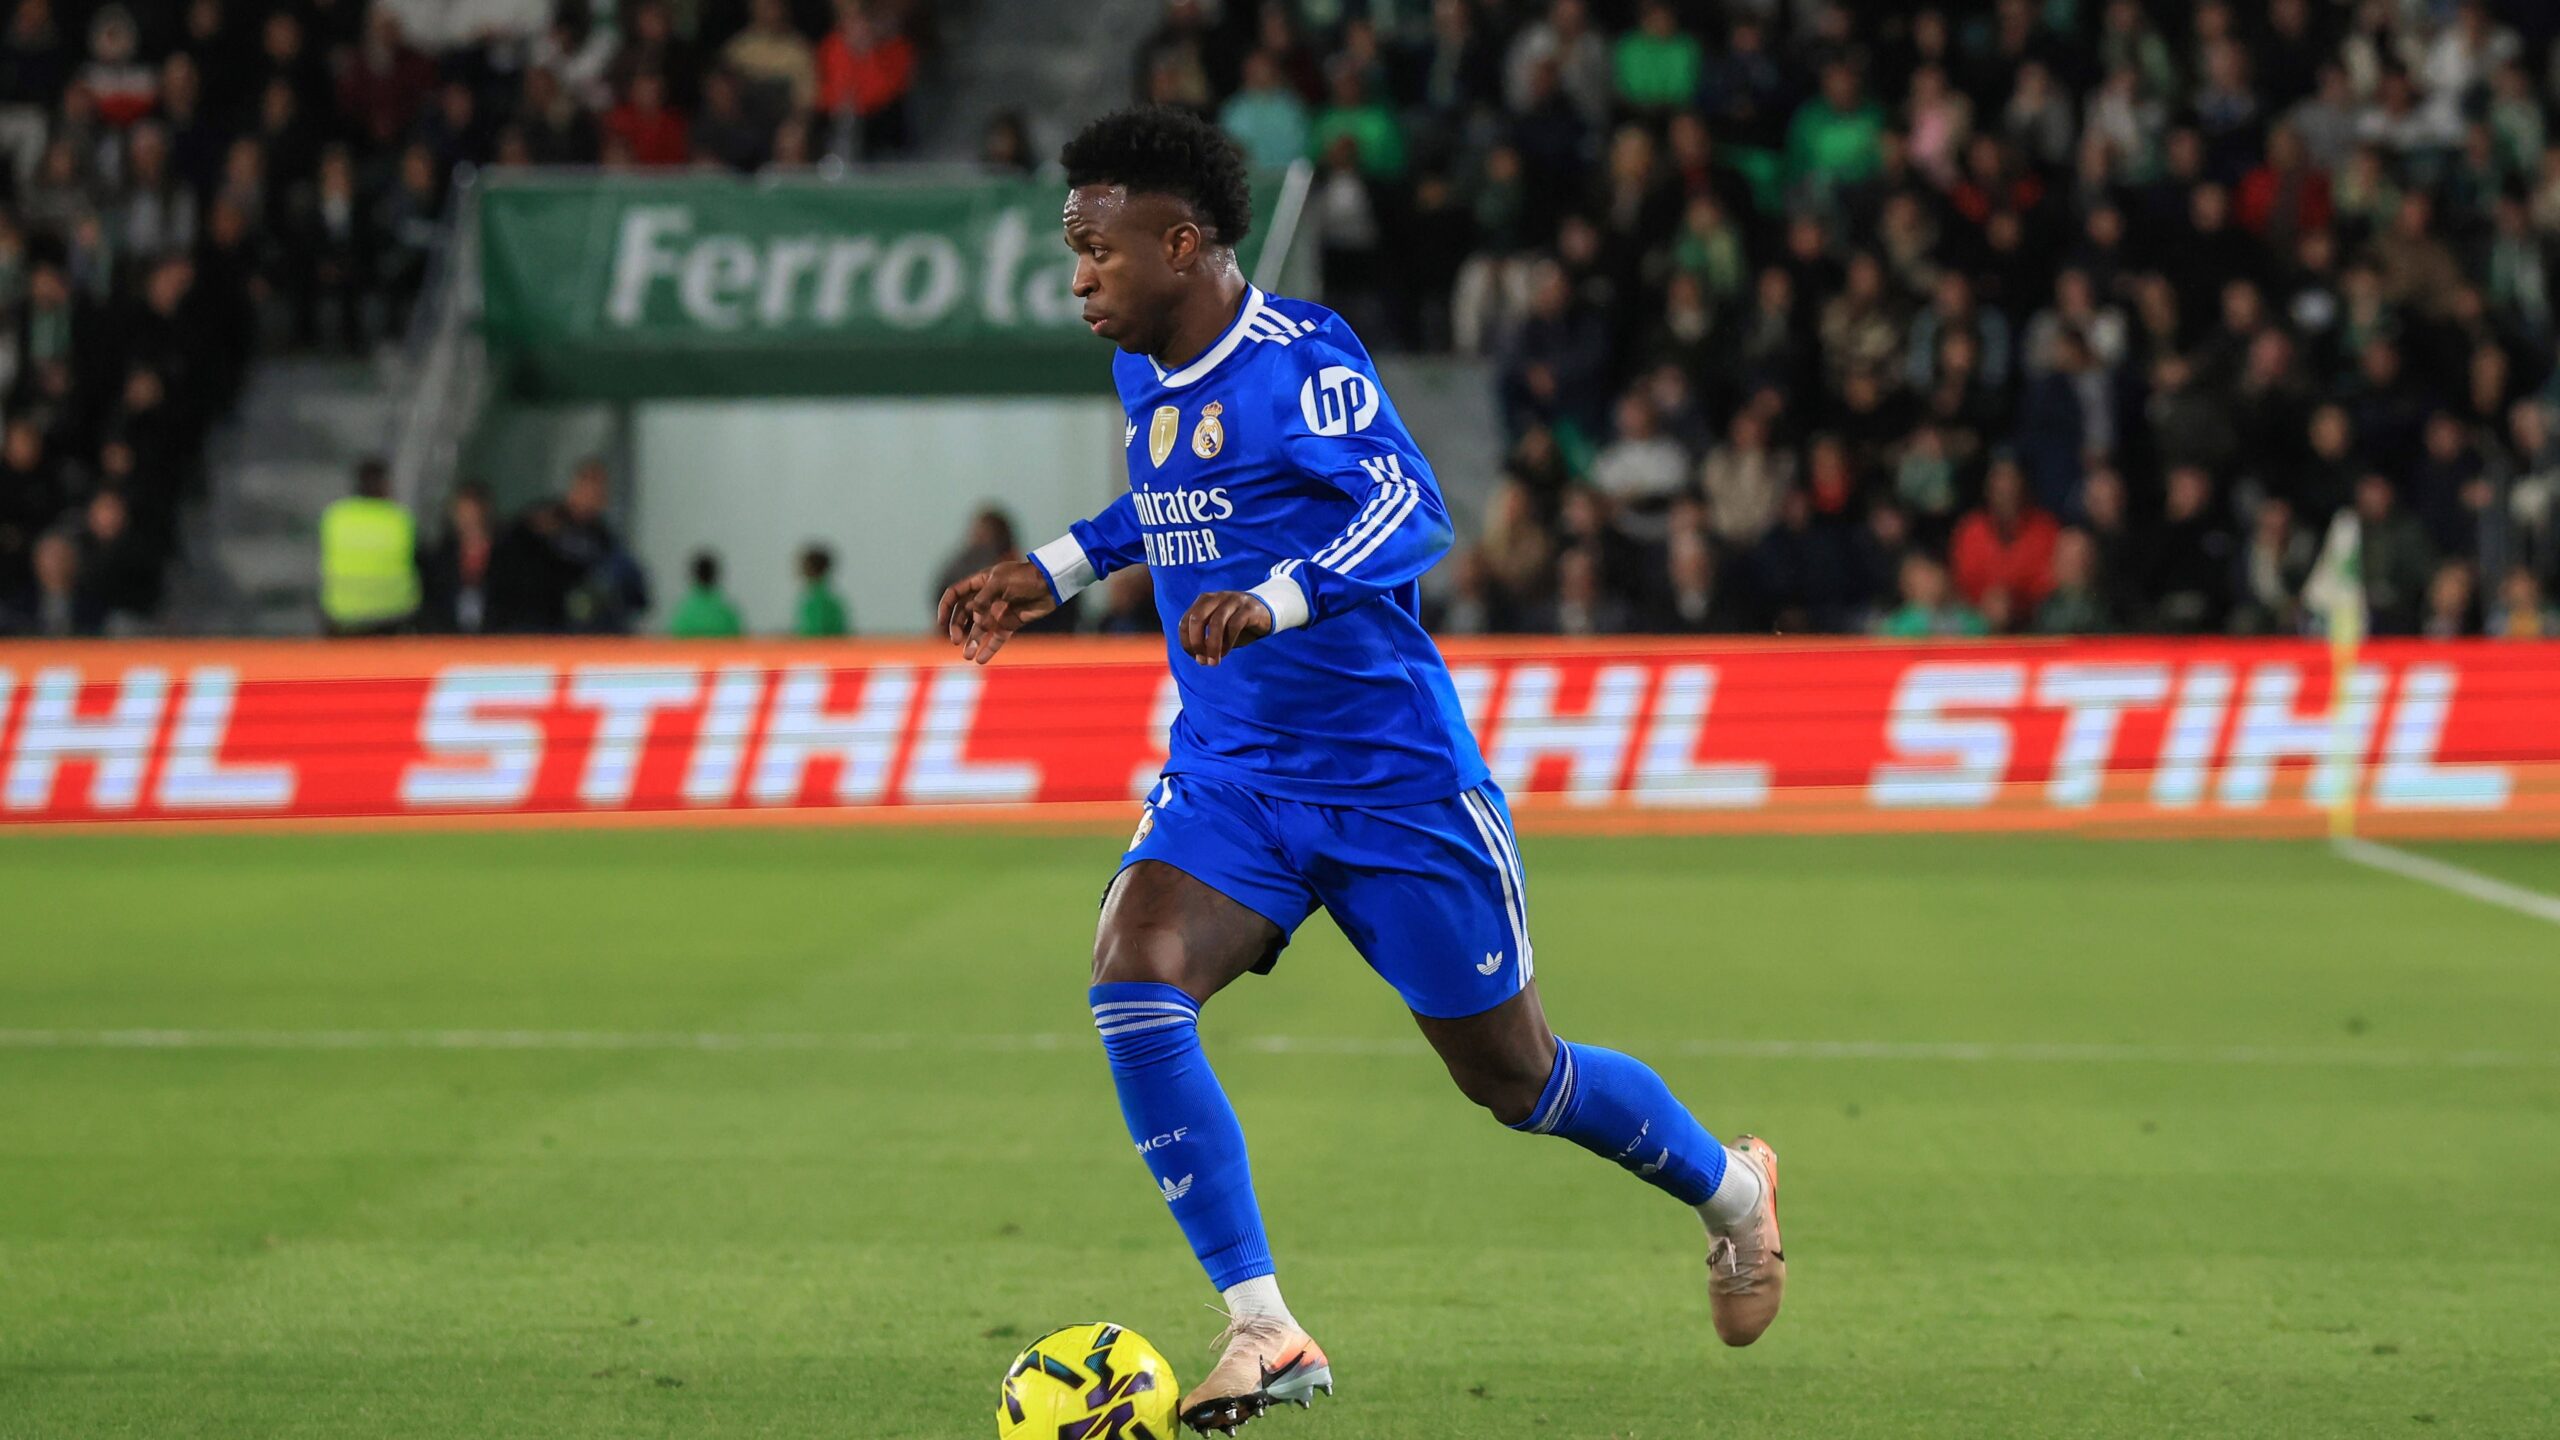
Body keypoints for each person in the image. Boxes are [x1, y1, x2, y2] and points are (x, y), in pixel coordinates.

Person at [937, 109, 1784, 1434]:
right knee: (1133, 970)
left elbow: (1411, 508)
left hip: (1395, 786)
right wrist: (1051, 570)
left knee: (1517, 1079)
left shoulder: (1303, 358)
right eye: (1073, 253)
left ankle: (1733, 1194)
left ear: (1181, 244)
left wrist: (1277, 598)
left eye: (1097, 252)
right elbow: (1169, 504)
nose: (1080, 279)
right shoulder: (1145, 371)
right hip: (1234, 776)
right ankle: (1262, 1326)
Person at [316, 456, 418, 636]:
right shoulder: (399, 519)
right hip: (392, 615)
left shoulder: (335, 516)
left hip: (342, 616)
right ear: (385, 484)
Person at [668, 549, 744, 637]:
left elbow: (675, 639)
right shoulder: (727, 612)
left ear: (693, 576)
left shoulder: (683, 613)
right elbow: (739, 639)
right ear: (716, 575)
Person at [792, 542, 850, 637]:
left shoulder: (816, 601)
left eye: (805, 566)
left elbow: (816, 635)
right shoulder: (833, 600)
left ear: (812, 569)